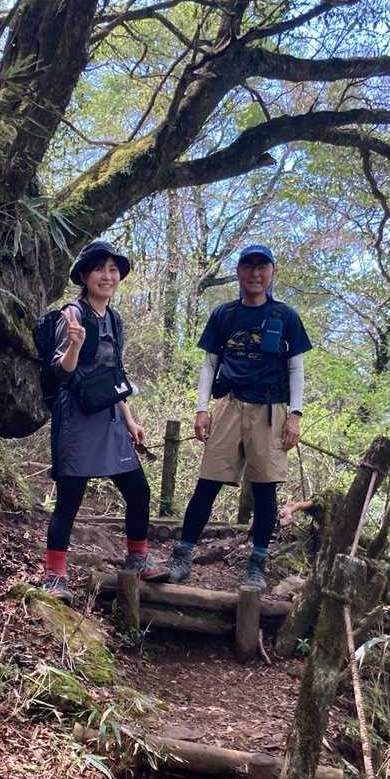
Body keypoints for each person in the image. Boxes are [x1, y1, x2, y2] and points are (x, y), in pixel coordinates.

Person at [147, 243, 310, 589]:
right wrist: (201, 408)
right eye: (249, 267)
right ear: (238, 272)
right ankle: (182, 557)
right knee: (207, 483)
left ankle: (257, 565)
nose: (255, 274)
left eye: (262, 267)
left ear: (272, 272)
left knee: (265, 490)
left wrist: (295, 414)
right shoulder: (224, 315)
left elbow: (296, 368)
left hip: (272, 409)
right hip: (230, 404)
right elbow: (210, 365)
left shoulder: (286, 317)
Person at [41, 240, 151, 603]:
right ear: (85, 276)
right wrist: (74, 344)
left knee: (138, 490)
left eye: (113, 270)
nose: (108, 276)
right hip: (76, 418)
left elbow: (115, 374)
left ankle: (138, 558)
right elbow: (62, 372)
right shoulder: (72, 315)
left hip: (110, 416)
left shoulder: (114, 320)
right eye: (100, 269)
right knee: (69, 500)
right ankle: (54, 576)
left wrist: (131, 421)